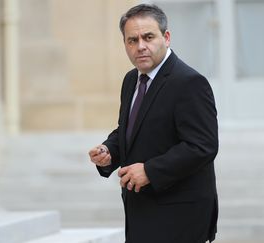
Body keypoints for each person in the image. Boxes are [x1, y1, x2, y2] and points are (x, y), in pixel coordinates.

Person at [88, 4, 218, 243]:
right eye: (132, 40)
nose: (141, 46)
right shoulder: (131, 80)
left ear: (166, 37)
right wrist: (109, 151)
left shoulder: (189, 82)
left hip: (180, 216)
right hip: (141, 211)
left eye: (148, 37)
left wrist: (150, 171)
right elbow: (129, 130)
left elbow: (202, 146)